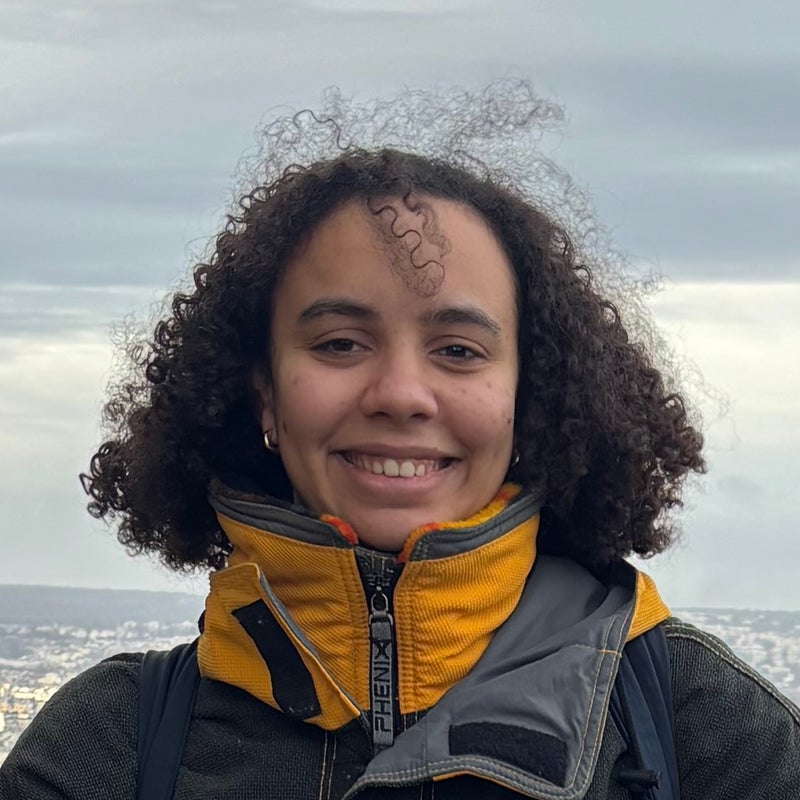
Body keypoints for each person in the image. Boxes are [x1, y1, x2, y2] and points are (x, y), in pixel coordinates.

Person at [1, 83, 798, 800]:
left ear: (532, 398)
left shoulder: (699, 725)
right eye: (341, 343)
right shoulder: (109, 745)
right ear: (264, 394)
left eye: (459, 350)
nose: (401, 394)